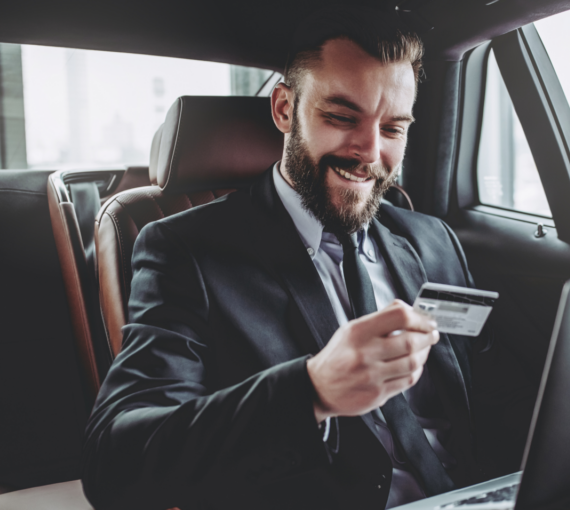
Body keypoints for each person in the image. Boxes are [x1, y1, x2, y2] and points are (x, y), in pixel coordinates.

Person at [82, 7, 492, 510]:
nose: (368, 151)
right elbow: (117, 464)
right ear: (283, 109)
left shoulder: (434, 241)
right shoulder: (184, 252)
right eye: (342, 118)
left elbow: (491, 401)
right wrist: (312, 391)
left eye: (392, 128)